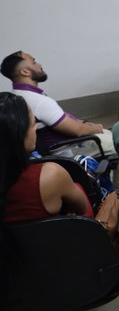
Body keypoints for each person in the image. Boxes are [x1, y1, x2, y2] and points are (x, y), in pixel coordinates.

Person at [1, 51, 119, 197]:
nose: (39, 64)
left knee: (112, 134)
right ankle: (117, 195)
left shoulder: (19, 96)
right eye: (33, 62)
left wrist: (85, 125)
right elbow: (77, 131)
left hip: (60, 146)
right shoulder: (38, 102)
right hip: (68, 149)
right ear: (25, 71)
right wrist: (94, 128)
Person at [0, 92, 93, 223]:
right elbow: (82, 209)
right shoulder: (49, 175)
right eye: (33, 124)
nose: (36, 130)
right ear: (18, 133)